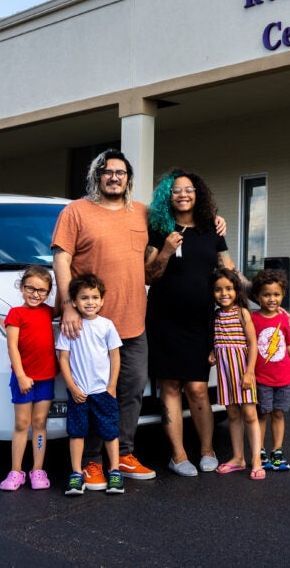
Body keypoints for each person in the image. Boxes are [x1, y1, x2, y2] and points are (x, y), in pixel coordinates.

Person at [51, 149, 155, 489]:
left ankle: (122, 454)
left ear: (128, 178)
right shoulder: (76, 211)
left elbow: (179, 222)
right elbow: (62, 260)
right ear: (97, 176)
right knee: (93, 393)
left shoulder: (141, 213)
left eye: (120, 172)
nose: (114, 177)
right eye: (107, 172)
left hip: (132, 322)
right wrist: (68, 304)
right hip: (89, 326)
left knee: (131, 390)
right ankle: (91, 462)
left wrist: (214, 221)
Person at [145, 169, 238, 476]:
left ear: (198, 194)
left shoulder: (213, 228)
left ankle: (207, 450)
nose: (183, 194)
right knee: (170, 385)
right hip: (164, 318)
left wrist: (258, 303)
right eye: (176, 191)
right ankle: (179, 455)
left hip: (201, 320)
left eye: (189, 189)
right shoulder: (159, 228)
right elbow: (149, 275)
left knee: (197, 387)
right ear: (167, 197)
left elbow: (230, 272)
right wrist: (168, 251)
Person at [57, 274, 125, 495]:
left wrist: (112, 386)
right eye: (84, 297)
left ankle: (114, 471)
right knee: (77, 433)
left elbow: (115, 356)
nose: (90, 302)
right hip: (79, 393)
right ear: (74, 302)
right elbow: (63, 359)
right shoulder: (71, 326)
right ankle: (76, 474)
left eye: (95, 297)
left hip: (103, 392)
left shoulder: (106, 326)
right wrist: (72, 388)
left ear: (102, 300)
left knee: (110, 432)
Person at [0, 265, 57, 491]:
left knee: (40, 423)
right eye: (30, 288)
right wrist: (21, 375)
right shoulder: (16, 313)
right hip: (23, 378)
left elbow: (64, 303)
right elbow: (12, 347)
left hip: (46, 378)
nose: (35, 294)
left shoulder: (48, 311)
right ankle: (16, 471)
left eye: (42, 290)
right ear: (22, 288)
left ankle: (38, 470)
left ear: (48, 292)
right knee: (22, 423)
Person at [208, 267, 265, 480]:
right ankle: (238, 458)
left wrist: (250, 372)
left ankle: (256, 460)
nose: (224, 294)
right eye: (218, 290)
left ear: (236, 290)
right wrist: (213, 352)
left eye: (229, 289)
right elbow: (219, 339)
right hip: (225, 373)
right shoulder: (216, 315)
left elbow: (252, 344)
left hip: (242, 372)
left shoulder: (242, 312)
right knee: (232, 414)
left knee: (250, 414)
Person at [250, 269, 290, 472]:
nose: (272, 299)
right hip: (262, 377)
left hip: (283, 377)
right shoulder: (253, 319)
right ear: (257, 296)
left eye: (276, 294)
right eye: (266, 294)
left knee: (279, 413)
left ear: (282, 295)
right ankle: (261, 450)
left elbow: (289, 343)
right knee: (263, 414)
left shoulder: (283, 318)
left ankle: (277, 451)